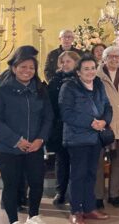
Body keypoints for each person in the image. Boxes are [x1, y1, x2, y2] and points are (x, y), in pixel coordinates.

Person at [0, 48, 53, 224]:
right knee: (12, 186)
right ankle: (14, 220)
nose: (27, 71)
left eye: (31, 67)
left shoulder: (40, 90)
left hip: (35, 147)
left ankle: (33, 217)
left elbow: (48, 117)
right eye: (23, 67)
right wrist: (17, 140)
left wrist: (40, 139)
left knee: (37, 183)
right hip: (7, 149)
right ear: (14, 68)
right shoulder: (2, 90)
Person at [60, 55, 112, 223]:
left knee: (91, 174)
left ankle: (89, 208)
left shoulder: (99, 84)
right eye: (86, 69)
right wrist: (91, 123)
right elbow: (66, 113)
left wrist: (104, 120)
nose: (90, 72)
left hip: (96, 138)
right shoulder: (69, 87)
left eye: (92, 68)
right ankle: (75, 210)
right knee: (78, 175)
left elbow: (107, 106)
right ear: (78, 72)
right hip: (77, 138)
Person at [94, 46, 119, 209]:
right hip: (102, 125)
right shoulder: (95, 77)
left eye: (118, 56)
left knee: (118, 162)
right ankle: (97, 196)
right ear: (104, 58)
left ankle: (114, 195)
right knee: (98, 163)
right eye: (111, 56)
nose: (115, 59)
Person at [47, 51, 80, 207]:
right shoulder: (55, 80)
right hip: (60, 126)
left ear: (75, 63)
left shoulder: (82, 78)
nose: (65, 64)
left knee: (77, 160)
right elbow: (49, 103)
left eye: (68, 61)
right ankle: (60, 191)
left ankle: (76, 193)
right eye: (63, 62)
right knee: (61, 160)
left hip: (78, 126)